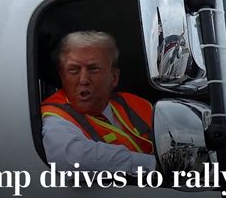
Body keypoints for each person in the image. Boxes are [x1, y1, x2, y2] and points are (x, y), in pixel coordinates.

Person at [41, 31, 156, 175]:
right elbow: (72, 158)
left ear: (114, 77)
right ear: (62, 77)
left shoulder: (137, 104)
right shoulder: (54, 115)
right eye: (73, 70)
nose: (83, 79)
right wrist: (154, 166)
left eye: (93, 69)